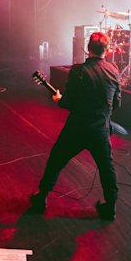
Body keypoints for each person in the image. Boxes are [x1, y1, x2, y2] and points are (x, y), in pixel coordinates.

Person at [29, 31, 121, 220]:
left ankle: (41, 197)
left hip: (77, 128)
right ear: (107, 50)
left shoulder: (78, 71)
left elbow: (69, 102)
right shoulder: (113, 70)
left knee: (56, 160)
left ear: (88, 49)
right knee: (107, 167)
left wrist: (58, 99)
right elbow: (117, 103)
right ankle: (110, 207)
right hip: (100, 129)